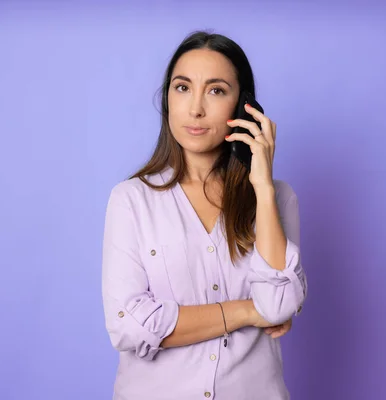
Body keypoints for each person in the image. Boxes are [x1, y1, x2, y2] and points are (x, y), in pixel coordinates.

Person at [101, 30, 308, 400]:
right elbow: (129, 327)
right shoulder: (131, 200)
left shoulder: (277, 198)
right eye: (182, 88)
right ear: (167, 99)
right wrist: (245, 312)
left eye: (216, 90)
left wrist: (261, 184)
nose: (195, 108)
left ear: (244, 106)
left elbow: (277, 306)